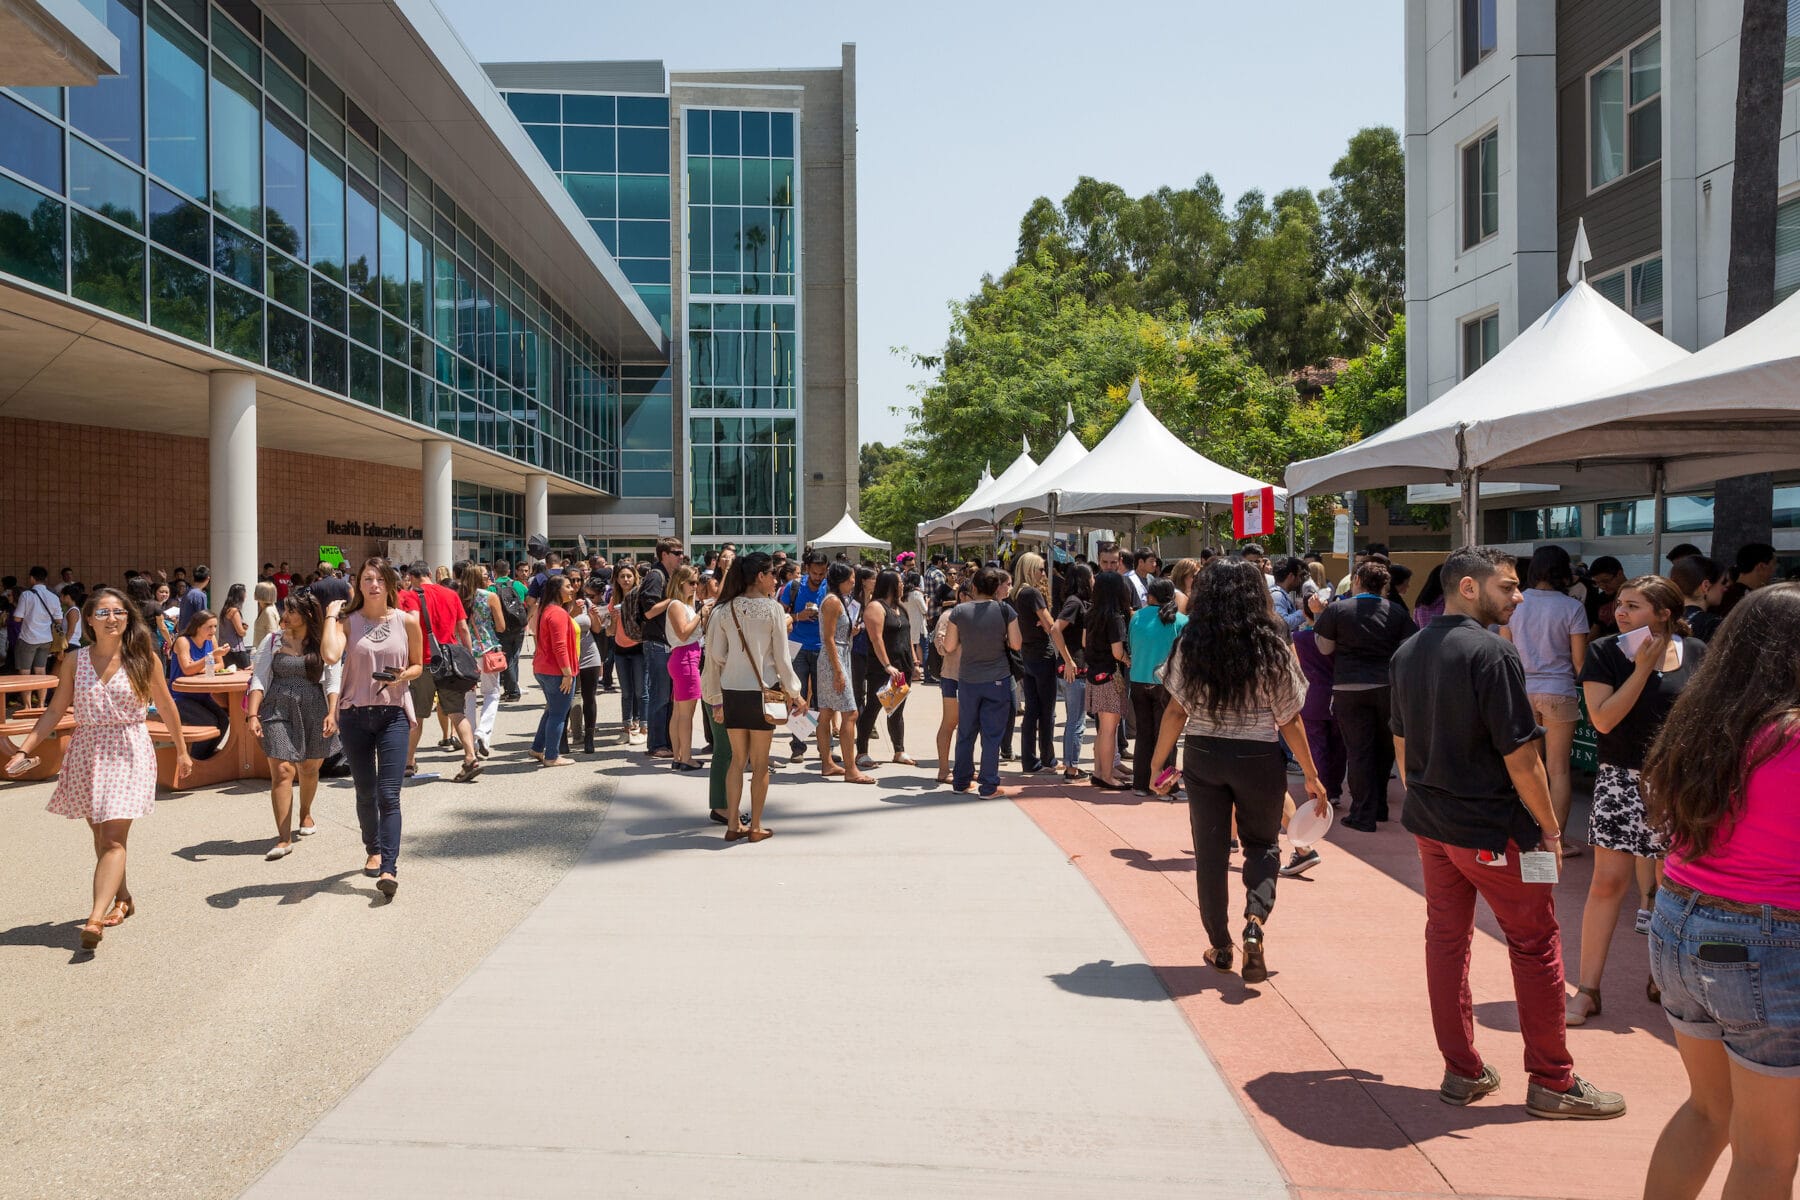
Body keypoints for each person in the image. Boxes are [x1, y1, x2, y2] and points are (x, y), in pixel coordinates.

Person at [1389, 546, 1625, 1120]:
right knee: (1536, 946)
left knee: (1447, 941)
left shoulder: (1409, 650)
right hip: (1490, 827)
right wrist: (1550, 828)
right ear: (1468, 587)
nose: (1519, 597)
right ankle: (1552, 1079)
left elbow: (1401, 748)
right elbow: (1522, 758)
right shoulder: (1492, 653)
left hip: (1434, 823)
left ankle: (1462, 1069)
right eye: (1509, 586)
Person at [1640, 583, 1800, 1200]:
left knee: (1709, 1113)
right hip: (1766, 942)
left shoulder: (1706, 721)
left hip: (1680, 923)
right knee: (1767, 1157)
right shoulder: (1787, 734)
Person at [1147, 560, 1326, 984]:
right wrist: (1312, 775)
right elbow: (1290, 719)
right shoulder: (1272, 644)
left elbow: (1176, 710)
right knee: (1263, 845)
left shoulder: (1192, 641)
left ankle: (1220, 944)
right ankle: (1255, 923)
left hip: (1205, 755)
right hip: (1259, 758)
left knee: (1209, 854)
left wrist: (1158, 762)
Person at [4, 589, 190, 949]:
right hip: (87, 752)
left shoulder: (144, 658)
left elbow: (167, 707)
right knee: (100, 836)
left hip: (129, 750)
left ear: (127, 618)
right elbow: (56, 711)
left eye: (119, 612)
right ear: (88, 619)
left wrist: (182, 751)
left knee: (112, 839)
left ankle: (94, 919)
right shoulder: (74, 661)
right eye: (103, 613)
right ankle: (123, 899)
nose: (112, 618)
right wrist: (23, 749)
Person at [1567, 575, 1707, 1027]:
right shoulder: (1607, 652)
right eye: (1620, 604)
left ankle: (1663, 978)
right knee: (1607, 884)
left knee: (1670, 890)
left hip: (1678, 783)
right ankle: (1587, 988)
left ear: (1665, 613)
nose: (1621, 612)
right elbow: (1603, 721)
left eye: (1634, 605)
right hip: (1621, 780)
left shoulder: (1698, 653)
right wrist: (1643, 669)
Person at [328, 558, 424, 899]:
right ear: (358, 585)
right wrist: (330, 616)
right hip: (354, 715)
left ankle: (389, 868)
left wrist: (401, 675)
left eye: (381, 579)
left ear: (390, 585)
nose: (374, 585)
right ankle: (373, 846)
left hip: (393, 712)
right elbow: (329, 656)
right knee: (365, 791)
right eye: (368, 579)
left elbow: (418, 665)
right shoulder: (347, 623)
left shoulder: (407, 621)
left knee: (389, 794)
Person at [700, 552, 808, 842]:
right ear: (760, 576)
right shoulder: (772, 609)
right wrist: (795, 693)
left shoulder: (723, 610)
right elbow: (782, 659)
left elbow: (715, 656)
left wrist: (715, 699)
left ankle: (733, 824)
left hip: (732, 691)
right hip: (765, 692)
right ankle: (756, 825)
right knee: (760, 764)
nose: (776, 579)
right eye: (773, 574)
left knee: (737, 761)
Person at [1497, 546, 1590, 858]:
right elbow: (1580, 662)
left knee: (1528, 766)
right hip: (1559, 690)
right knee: (1559, 769)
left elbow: (1505, 649)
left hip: (1522, 689)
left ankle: (1529, 836)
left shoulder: (1515, 603)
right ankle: (1557, 841)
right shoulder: (1572, 607)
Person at [1314, 559, 1416, 833]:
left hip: (1349, 687)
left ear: (1356, 581)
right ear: (1385, 586)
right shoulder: (1396, 612)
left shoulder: (1337, 609)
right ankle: (1379, 806)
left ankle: (1362, 813)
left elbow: (1324, 648)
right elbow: (1409, 647)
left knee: (1358, 752)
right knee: (1384, 750)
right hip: (1387, 688)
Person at [246, 591, 342, 860]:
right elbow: (259, 679)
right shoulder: (273, 640)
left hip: (314, 707)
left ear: (308, 615)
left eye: (290, 611)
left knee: (310, 768)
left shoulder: (324, 642)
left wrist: (333, 713)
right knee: (283, 770)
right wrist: (252, 715)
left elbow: (333, 681)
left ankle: (305, 812)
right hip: (277, 706)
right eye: (284, 610)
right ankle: (283, 838)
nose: (284, 616)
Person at [939, 566, 1023, 798]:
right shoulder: (1005, 610)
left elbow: (948, 647)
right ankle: (988, 785)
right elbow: (1016, 644)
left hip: (967, 679)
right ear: (996, 588)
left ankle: (961, 781)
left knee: (966, 731)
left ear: (973, 587)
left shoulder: (959, 611)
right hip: (997, 678)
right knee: (992, 735)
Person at [397, 562, 479, 783]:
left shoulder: (408, 597)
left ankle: (408, 762)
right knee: (456, 712)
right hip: (449, 662)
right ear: (430, 574)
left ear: (410, 577)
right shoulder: (451, 595)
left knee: (416, 716)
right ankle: (470, 757)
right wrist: (469, 659)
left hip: (420, 662)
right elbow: (463, 629)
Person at [1287, 591, 1344, 876]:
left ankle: (1320, 793)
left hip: (1311, 697)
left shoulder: (1298, 640)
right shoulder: (1336, 642)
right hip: (1336, 695)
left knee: (1318, 745)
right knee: (1338, 745)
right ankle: (1333, 790)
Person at [1127, 577, 1187, 795]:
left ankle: (1140, 784)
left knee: (1144, 734)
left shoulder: (1136, 617)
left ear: (1149, 596)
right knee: (1167, 735)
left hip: (1138, 679)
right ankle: (1166, 786)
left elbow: (1131, 644)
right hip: (1167, 683)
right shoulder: (1181, 621)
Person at [814, 563, 871, 783]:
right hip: (834, 660)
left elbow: (834, 634)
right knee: (850, 713)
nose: (853, 583)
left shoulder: (837, 601)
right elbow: (828, 638)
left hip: (837, 656)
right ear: (840, 581)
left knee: (827, 712)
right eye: (850, 579)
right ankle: (850, 769)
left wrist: (851, 632)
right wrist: (838, 671)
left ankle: (828, 763)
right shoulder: (832, 602)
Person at [855, 569, 915, 768]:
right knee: (873, 708)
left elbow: (906, 636)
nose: (902, 585)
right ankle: (862, 751)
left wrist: (914, 662)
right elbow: (876, 638)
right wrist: (886, 664)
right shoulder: (875, 607)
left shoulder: (900, 607)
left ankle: (899, 750)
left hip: (902, 667)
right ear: (889, 583)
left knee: (896, 709)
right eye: (899, 581)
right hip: (882, 668)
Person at [1083, 569, 1134, 790]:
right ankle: (1105, 775)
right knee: (1109, 730)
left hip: (1094, 674)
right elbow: (1116, 652)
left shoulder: (1091, 613)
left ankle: (1099, 771)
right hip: (1110, 677)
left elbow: (1085, 642)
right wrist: (1128, 659)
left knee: (1103, 729)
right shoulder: (1115, 617)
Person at [1012, 552, 1062, 775]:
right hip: (1042, 654)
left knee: (1032, 710)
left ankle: (1031, 759)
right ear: (1030, 569)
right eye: (1040, 569)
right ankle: (1047, 758)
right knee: (1046, 710)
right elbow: (1051, 624)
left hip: (1027, 655)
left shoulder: (1016, 593)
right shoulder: (1031, 593)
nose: (1043, 574)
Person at [636, 538, 685, 760]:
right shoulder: (656, 576)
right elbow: (648, 612)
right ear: (664, 554)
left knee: (667, 696)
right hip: (657, 644)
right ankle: (656, 744)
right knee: (660, 696)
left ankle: (664, 741)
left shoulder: (666, 575)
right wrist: (673, 600)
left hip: (665, 644)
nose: (681, 556)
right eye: (676, 552)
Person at [458, 563, 506, 760]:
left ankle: (471, 740)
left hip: (464, 652)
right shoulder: (489, 597)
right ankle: (483, 733)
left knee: (469, 697)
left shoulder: (458, 597)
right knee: (492, 694)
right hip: (487, 650)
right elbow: (501, 626)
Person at [530, 574, 580, 767]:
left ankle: (537, 747)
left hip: (543, 668)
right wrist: (567, 673)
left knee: (552, 710)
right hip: (556, 671)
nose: (572, 589)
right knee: (558, 714)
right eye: (567, 586)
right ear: (557, 590)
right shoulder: (557, 613)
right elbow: (560, 647)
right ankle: (552, 756)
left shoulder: (546, 610)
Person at [168, 611, 230, 760]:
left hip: (202, 695)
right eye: (209, 627)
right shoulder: (183, 641)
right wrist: (209, 657)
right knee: (209, 722)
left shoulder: (211, 640)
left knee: (223, 720)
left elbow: (220, 663)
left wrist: (203, 667)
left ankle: (207, 757)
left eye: (215, 626)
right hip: (179, 697)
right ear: (197, 627)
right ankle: (195, 758)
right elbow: (187, 669)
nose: (213, 631)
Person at [930, 577, 975, 784]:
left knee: (970, 725)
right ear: (963, 596)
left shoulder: (978, 616)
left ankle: (965, 766)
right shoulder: (949, 616)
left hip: (974, 678)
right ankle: (943, 769)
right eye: (974, 595)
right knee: (950, 723)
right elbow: (941, 647)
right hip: (953, 677)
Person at [663, 564, 707, 771]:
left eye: (697, 583)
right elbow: (683, 633)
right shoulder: (677, 605)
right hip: (685, 656)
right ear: (681, 583)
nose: (695, 586)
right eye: (692, 582)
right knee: (685, 713)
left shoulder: (682, 605)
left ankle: (680, 755)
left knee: (679, 711)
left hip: (685, 656)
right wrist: (701, 614)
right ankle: (685, 757)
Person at [1053, 563, 1092, 781]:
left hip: (1075, 667)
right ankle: (1071, 768)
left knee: (1076, 720)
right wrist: (1068, 660)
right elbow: (1055, 628)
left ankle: (1071, 766)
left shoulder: (1076, 602)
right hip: (1074, 669)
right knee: (1076, 721)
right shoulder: (1075, 602)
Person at [609, 563, 647, 742]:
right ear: (617, 579)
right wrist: (613, 620)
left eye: (629, 576)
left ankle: (644, 728)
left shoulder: (640, 598)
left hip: (639, 648)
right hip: (620, 649)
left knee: (641, 691)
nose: (625, 579)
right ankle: (626, 728)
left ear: (635, 578)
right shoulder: (613, 599)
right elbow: (609, 631)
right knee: (626, 692)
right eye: (622, 576)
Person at [14, 566, 62, 706]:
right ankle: (41, 704)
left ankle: (28, 707)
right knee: (41, 671)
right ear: (45, 579)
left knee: (25, 674)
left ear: (32, 578)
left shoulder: (27, 595)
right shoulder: (53, 597)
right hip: (46, 639)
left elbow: (17, 617)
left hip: (28, 638)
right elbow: (58, 620)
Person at [1668, 553, 1727, 644]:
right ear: (1706, 586)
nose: (1725, 588)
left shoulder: (1663, 617)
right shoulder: (1713, 624)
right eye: (1723, 582)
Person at [492, 561, 528, 701]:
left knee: (508, 658)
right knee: (514, 657)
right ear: (509, 571)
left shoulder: (492, 588)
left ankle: (513, 691)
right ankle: (511, 688)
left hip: (501, 628)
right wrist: (527, 617)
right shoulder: (518, 586)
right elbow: (532, 601)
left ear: (494, 571)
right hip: (519, 626)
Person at [1717, 541, 1777, 619]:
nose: (1774, 570)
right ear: (1761, 566)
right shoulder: (1735, 598)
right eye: (1774, 564)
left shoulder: (1727, 594)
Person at [1583, 555, 1626, 637]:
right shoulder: (1601, 599)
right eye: (1597, 583)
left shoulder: (1636, 594)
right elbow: (1597, 626)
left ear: (1620, 574)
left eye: (1606, 581)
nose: (1602, 586)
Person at [1268, 557, 1306, 633]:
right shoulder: (1277, 596)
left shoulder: (1280, 594)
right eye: (1299, 576)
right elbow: (1283, 624)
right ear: (1291, 576)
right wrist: (1304, 611)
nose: (1300, 580)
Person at [177, 565, 210, 632]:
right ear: (208, 578)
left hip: (184, 632)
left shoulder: (187, 592)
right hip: (194, 634)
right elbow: (203, 618)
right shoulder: (201, 595)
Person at [251, 580, 280, 647]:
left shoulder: (268, 611)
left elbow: (271, 635)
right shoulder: (267, 609)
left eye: (256, 591)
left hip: (264, 653)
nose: (254, 593)